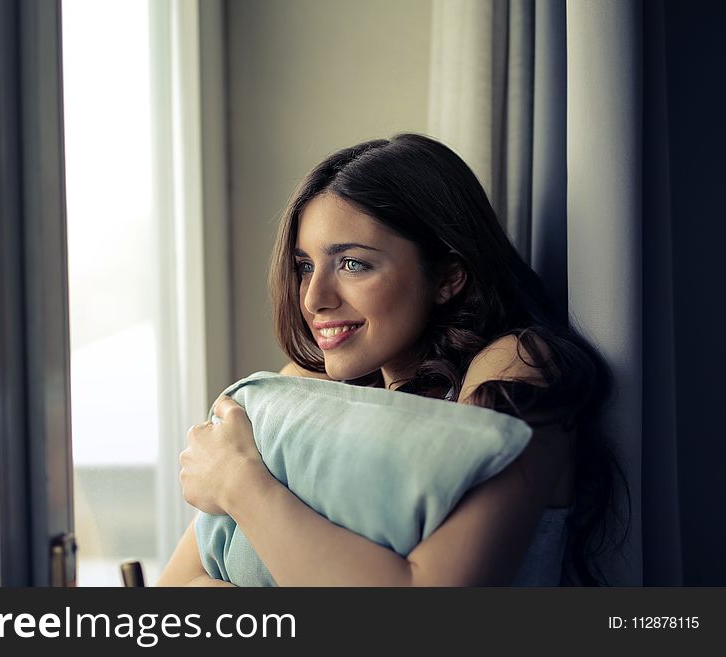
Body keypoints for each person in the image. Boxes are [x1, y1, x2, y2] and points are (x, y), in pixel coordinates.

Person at [156, 133, 629, 587]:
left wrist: (239, 482)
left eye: (353, 263)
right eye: (305, 266)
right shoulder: (306, 392)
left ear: (448, 276)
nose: (314, 298)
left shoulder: (515, 364)